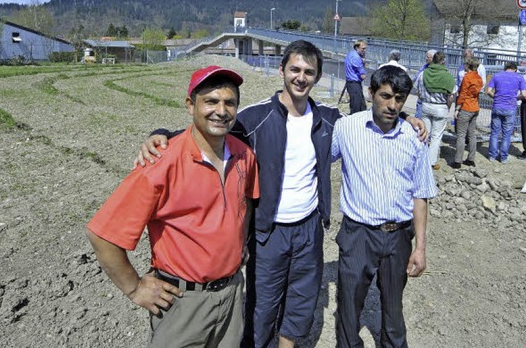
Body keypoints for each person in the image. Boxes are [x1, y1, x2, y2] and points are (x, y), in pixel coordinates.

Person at [135, 40, 427, 348]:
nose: (301, 77)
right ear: (282, 70)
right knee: (262, 307)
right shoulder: (254, 117)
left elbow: (378, 116)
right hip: (268, 231)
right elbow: (209, 128)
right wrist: (163, 134)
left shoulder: (329, 119)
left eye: (309, 72)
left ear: (316, 76)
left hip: (309, 229)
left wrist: (407, 118)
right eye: (295, 69)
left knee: (301, 303)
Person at [86, 66, 259, 347]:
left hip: (231, 293)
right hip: (182, 302)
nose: (221, 110)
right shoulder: (160, 162)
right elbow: (103, 234)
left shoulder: (244, 155)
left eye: (229, 102)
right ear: (190, 105)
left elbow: (246, 202)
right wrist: (135, 288)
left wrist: (241, 244)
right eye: (211, 101)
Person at [332, 65, 437, 347]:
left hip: (398, 236)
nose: (392, 105)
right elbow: (313, 155)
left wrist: (420, 248)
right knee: (349, 308)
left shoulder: (414, 138)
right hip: (358, 235)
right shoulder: (346, 128)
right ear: (371, 93)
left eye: (399, 99)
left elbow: (421, 195)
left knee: (393, 307)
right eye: (386, 96)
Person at [415, 51, 457, 170]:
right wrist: (448, 107)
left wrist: (423, 99)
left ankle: (420, 158)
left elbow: (417, 90)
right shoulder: (448, 76)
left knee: (424, 134)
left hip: (426, 105)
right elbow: (451, 96)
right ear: (443, 61)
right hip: (440, 107)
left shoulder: (423, 73)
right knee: (436, 136)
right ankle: (431, 162)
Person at [486, 62, 526, 163]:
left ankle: (492, 156)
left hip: (497, 106)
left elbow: (488, 91)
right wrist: (515, 98)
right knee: (506, 134)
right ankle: (503, 157)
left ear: (505, 68)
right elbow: (524, 94)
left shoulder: (497, 75)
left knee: (494, 133)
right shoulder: (519, 77)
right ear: (515, 69)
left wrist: (495, 97)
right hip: (510, 107)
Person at [451, 58, 483, 169]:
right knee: (472, 134)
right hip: (475, 107)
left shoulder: (467, 78)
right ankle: (471, 159)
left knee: (461, 135)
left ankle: (457, 161)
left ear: (467, 66)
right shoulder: (479, 78)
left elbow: (463, 94)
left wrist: (457, 109)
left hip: (465, 108)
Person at [344, 39, 368, 114]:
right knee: (356, 106)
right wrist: (363, 62)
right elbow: (363, 75)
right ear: (357, 47)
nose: (364, 50)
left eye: (365, 48)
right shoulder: (356, 58)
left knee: (362, 105)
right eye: (363, 48)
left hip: (351, 82)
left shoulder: (350, 54)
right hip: (354, 83)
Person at [414, 49, 436, 118]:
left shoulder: (438, 70)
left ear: (433, 58)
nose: (426, 58)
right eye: (426, 56)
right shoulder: (424, 67)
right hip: (422, 98)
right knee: (419, 118)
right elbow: (415, 77)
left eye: (427, 57)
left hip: (432, 99)